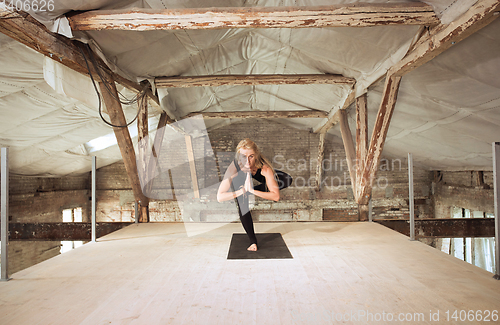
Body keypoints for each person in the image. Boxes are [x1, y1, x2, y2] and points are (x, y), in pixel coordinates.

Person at [217, 139, 292, 251]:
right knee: (243, 207)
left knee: (287, 179)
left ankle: (248, 191)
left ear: (256, 156)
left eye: (251, 156)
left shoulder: (264, 167)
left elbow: (276, 196)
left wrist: (251, 190)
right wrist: (241, 192)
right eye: (243, 156)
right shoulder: (234, 168)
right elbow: (220, 197)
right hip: (240, 178)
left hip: (256, 177)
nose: (247, 161)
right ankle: (253, 242)